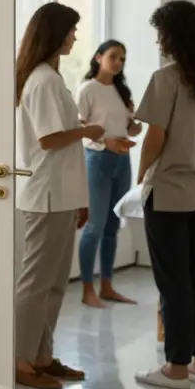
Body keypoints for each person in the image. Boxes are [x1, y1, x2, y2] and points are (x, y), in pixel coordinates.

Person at [133, 0, 195, 389]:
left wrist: (141, 173)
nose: (159, 41)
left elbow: (155, 137)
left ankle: (175, 368)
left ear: (174, 36)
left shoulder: (167, 78)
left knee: (173, 281)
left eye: (161, 34)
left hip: (169, 192)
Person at [13, 2, 104, 389]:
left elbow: (56, 138)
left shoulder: (49, 78)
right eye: (71, 30)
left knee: (52, 285)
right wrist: (88, 131)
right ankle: (19, 359)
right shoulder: (43, 80)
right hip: (47, 196)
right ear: (56, 33)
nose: (75, 37)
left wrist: (79, 199)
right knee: (37, 283)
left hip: (61, 195)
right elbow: (49, 139)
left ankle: (41, 356)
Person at [75, 40, 142, 308]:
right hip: (97, 159)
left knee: (113, 225)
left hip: (122, 160)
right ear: (98, 57)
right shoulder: (88, 89)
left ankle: (107, 286)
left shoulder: (121, 91)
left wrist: (133, 126)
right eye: (113, 56)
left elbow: (131, 128)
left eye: (122, 59)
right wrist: (105, 142)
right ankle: (87, 289)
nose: (118, 62)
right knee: (95, 226)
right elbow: (78, 125)